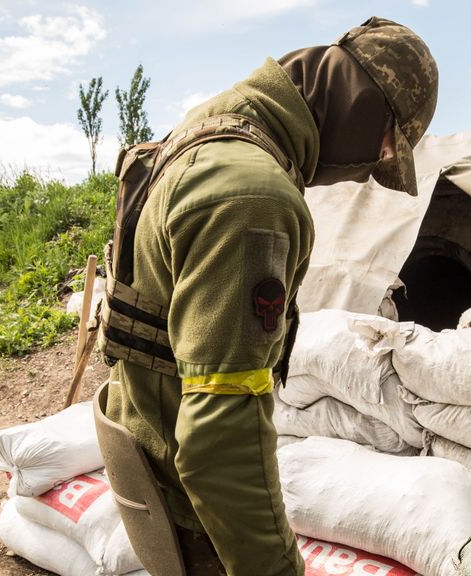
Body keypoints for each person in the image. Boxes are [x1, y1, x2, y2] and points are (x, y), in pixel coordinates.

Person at [103, 16, 438, 575]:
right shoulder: (250, 196)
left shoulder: (208, 131)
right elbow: (218, 438)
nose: (364, 174)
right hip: (197, 510)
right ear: (362, 109)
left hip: (150, 444)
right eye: (382, 150)